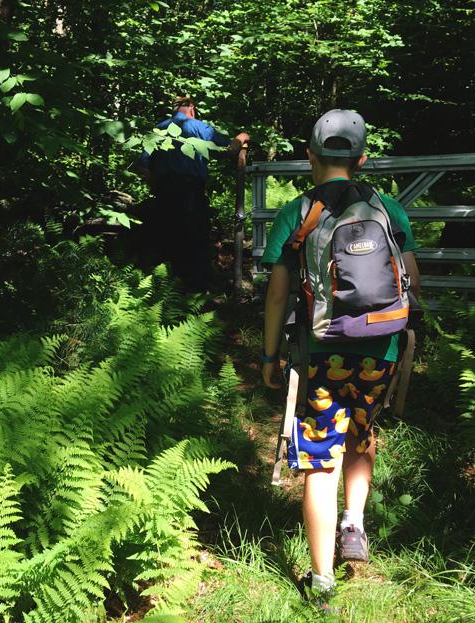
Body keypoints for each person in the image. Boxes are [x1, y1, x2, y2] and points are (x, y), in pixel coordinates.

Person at [260, 109, 421, 602]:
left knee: (318, 457)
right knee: (362, 430)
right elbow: (412, 281)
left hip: (319, 353)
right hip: (383, 346)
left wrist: (269, 356)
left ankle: (322, 578)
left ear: (310, 155)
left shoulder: (296, 212)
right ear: (362, 158)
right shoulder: (389, 209)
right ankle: (354, 522)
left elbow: (277, 295)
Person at [138, 96, 250, 291]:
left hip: (164, 192)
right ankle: (195, 291)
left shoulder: (158, 129)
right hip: (191, 191)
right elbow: (229, 150)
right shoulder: (199, 127)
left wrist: (156, 187)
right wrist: (242, 137)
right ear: (192, 109)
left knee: (168, 237)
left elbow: (143, 166)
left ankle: (167, 291)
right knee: (194, 239)